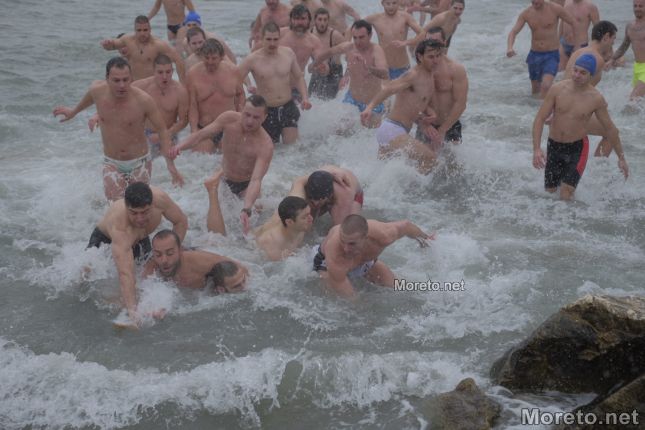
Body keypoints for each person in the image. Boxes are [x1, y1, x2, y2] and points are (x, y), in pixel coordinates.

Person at [53, 57, 184, 201]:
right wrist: (73, 112)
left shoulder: (143, 100)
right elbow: (88, 100)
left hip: (139, 162)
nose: (122, 85)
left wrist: (170, 165)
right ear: (107, 78)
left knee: (138, 206)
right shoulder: (97, 91)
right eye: (116, 80)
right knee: (115, 205)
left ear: (131, 78)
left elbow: (162, 130)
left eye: (125, 80)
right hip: (112, 162)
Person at [87, 182, 188, 325]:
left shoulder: (160, 199)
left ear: (152, 205)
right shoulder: (120, 227)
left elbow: (180, 221)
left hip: (140, 238)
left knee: (148, 275)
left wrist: (174, 251)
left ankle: (153, 306)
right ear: (126, 207)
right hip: (105, 241)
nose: (140, 219)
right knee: (90, 277)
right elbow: (126, 274)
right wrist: (133, 313)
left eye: (145, 212)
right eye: (134, 213)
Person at [532, 54, 628, 201]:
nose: (577, 75)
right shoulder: (557, 89)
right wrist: (537, 149)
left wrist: (621, 158)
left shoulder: (596, 98)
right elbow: (539, 119)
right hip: (554, 146)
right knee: (549, 194)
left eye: (583, 73)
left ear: (591, 75)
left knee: (565, 194)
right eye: (575, 70)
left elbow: (611, 129)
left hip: (577, 149)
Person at [174, 95, 274, 233]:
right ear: (241, 109)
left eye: (256, 117)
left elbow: (256, 180)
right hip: (224, 180)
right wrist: (178, 147)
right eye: (247, 114)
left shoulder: (265, 145)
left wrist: (247, 208)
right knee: (208, 225)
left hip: (246, 185)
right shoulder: (229, 119)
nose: (250, 121)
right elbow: (201, 135)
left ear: (265, 118)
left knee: (250, 227)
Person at [360, 39, 442, 174]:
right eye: (431, 57)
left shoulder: (430, 76)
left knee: (381, 175)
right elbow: (389, 89)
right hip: (392, 130)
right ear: (420, 57)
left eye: (438, 56)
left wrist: (428, 116)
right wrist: (369, 107)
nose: (436, 60)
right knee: (430, 158)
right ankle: (415, 187)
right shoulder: (413, 75)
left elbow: (415, 104)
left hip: (395, 131)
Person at [313, 214, 433, 298]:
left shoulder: (384, 235)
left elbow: (406, 226)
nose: (345, 248)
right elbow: (350, 299)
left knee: (399, 288)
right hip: (326, 265)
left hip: (363, 262)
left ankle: (439, 288)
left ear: (365, 238)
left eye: (351, 244)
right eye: (343, 241)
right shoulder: (334, 253)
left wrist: (425, 240)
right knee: (342, 303)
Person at [238, 22, 312, 144]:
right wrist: (248, 85)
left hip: (288, 106)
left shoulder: (288, 53)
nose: (272, 43)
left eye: (275, 39)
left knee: (292, 148)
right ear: (262, 39)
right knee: (271, 149)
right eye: (268, 39)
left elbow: (299, 77)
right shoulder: (253, 59)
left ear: (279, 38)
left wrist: (305, 98)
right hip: (266, 110)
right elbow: (236, 78)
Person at [314, 20, 389, 128]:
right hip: (352, 100)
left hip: (372, 103)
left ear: (370, 35)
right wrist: (314, 65)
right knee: (339, 130)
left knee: (371, 133)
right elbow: (329, 52)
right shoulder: (349, 47)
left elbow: (385, 74)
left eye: (361, 37)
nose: (357, 41)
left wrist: (368, 68)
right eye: (355, 38)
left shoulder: (376, 50)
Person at [565, 21, 618, 156]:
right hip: (571, 110)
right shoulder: (596, 59)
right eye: (613, 39)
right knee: (612, 133)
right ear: (606, 37)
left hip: (562, 104)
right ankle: (598, 167)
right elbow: (579, 90)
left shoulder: (579, 52)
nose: (613, 43)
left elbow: (569, 84)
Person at [506, 0, 578, 98]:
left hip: (551, 54)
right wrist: (510, 47)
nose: (535, 2)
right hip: (534, 55)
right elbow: (513, 32)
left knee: (546, 85)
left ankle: (549, 105)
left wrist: (576, 43)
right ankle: (537, 107)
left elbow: (573, 22)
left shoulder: (555, 9)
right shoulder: (526, 13)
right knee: (535, 91)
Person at [143, 229, 248, 293]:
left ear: (180, 250)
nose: (164, 260)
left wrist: (235, 285)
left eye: (170, 253)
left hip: (203, 249)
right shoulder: (152, 268)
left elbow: (240, 267)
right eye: (158, 254)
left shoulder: (199, 261)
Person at [414, 28, 468, 151]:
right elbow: (411, 103)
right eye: (429, 41)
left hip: (450, 124)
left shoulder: (456, 69)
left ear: (444, 42)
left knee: (452, 161)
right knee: (420, 160)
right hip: (427, 125)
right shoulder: (417, 71)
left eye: (436, 42)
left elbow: (461, 104)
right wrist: (423, 125)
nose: (432, 45)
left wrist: (443, 130)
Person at [188, 39, 244, 153]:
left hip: (228, 128)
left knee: (230, 160)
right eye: (207, 58)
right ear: (202, 56)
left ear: (222, 57)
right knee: (201, 161)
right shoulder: (192, 74)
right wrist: (194, 131)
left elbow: (241, 95)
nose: (210, 62)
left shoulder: (233, 71)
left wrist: (240, 119)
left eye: (214, 58)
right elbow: (192, 105)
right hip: (204, 128)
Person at [131, 54, 189, 158]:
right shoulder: (141, 86)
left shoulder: (180, 91)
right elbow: (120, 97)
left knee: (169, 158)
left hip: (169, 132)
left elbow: (183, 121)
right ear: (153, 71)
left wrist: (165, 135)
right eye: (160, 72)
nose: (164, 76)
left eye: (168, 72)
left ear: (172, 71)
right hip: (146, 133)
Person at [100, 15, 186, 84]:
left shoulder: (158, 45)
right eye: (139, 30)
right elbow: (113, 45)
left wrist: (182, 83)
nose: (142, 33)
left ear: (150, 30)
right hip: (133, 85)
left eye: (145, 30)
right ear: (135, 30)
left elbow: (178, 60)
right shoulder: (128, 40)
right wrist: (107, 44)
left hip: (151, 86)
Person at [276, 5, 328, 101]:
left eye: (303, 19)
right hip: (274, 85)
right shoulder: (279, 34)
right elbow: (258, 54)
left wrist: (322, 68)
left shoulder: (314, 41)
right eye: (296, 18)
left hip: (296, 89)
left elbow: (324, 65)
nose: (300, 22)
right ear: (291, 20)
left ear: (309, 20)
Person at [365, 0, 424, 80]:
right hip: (383, 68)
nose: (391, 6)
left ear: (398, 3)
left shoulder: (405, 17)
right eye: (388, 3)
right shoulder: (375, 18)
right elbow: (355, 28)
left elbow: (423, 34)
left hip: (402, 66)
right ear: (382, 3)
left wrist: (406, 42)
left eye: (394, 3)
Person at [254, 196, 314, 260]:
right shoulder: (273, 245)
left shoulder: (300, 227)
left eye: (309, 214)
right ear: (289, 222)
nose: (311, 218)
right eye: (304, 217)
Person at [608, 0, 645, 99]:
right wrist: (612, 59)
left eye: (640, 6)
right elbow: (624, 46)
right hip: (637, 67)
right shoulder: (630, 26)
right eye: (635, 6)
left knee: (633, 99)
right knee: (639, 102)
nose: (637, 9)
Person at [308, 8, 347, 100]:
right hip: (317, 71)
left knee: (329, 102)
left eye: (325, 20)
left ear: (328, 21)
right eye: (320, 19)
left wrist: (346, 76)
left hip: (334, 73)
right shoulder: (309, 35)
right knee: (310, 100)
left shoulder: (335, 35)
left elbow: (351, 53)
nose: (322, 23)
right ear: (315, 20)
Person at [398, 0, 465, 51]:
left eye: (460, 9)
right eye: (455, 8)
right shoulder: (441, 18)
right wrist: (408, 43)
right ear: (450, 6)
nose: (458, 11)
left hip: (441, 37)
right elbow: (423, 33)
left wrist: (419, 8)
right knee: (414, 49)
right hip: (432, 35)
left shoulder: (457, 20)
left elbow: (440, 10)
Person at [558, 0, 599, 71]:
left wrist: (595, 48)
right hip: (564, 44)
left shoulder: (591, 7)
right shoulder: (566, 4)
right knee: (559, 73)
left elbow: (597, 29)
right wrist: (558, 42)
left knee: (573, 73)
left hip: (580, 46)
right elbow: (562, 23)